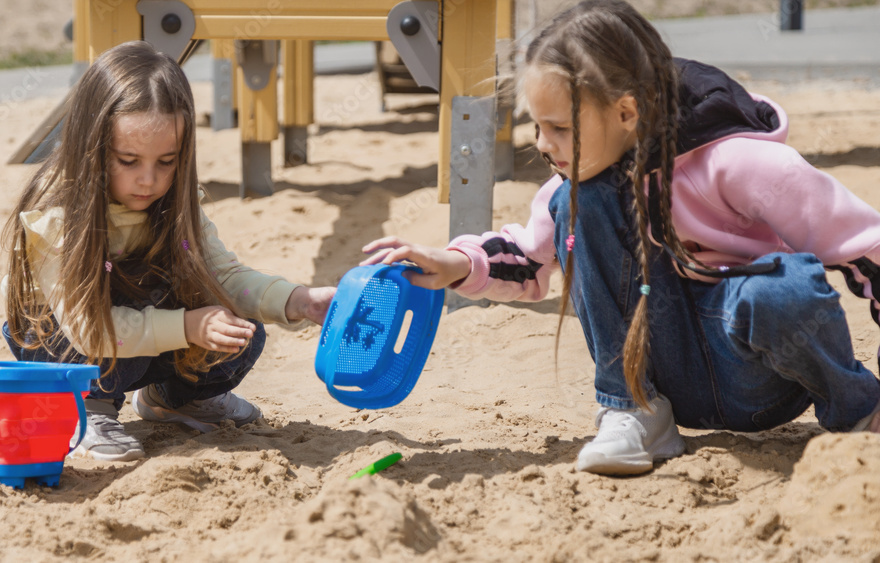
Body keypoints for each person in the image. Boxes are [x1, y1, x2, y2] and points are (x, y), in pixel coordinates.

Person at [363, 0, 880, 475]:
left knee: (783, 290)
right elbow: (529, 257)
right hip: (662, 370)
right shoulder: (579, 182)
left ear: (626, 113)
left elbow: (863, 248)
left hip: (759, 371)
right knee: (580, 200)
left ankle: (860, 414)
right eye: (536, 127)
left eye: (560, 128)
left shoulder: (738, 161)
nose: (544, 145)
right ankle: (634, 413)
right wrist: (456, 264)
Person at [1, 41, 335, 462]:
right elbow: (88, 329)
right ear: (93, 146)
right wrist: (189, 327)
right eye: (128, 160)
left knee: (239, 325)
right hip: (63, 342)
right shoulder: (62, 217)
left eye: (166, 161)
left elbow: (225, 277)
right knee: (120, 324)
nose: (148, 180)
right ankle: (86, 408)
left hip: (141, 330)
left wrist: (298, 300)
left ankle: (174, 398)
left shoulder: (176, 203)